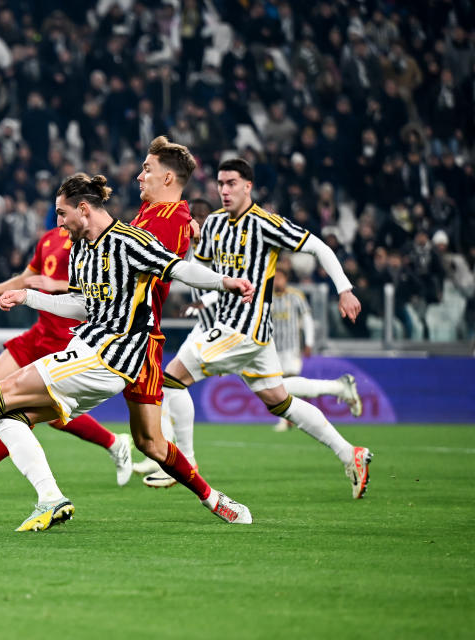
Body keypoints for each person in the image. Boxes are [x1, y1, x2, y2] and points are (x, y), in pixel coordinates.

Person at [0, 173, 256, 530]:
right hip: (91, 351)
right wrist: (28, 296)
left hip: (109, 356)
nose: (59, 223)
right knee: (10, 417)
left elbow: (179, 268)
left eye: (62, 214)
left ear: (83, 208)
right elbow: (81, 304)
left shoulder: (130, 242)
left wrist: (226, 283)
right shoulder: (81, 250)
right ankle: (57, 497)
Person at [0, 136, 221, 511]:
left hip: (130, 338)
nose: (139, 176)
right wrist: (2, 291)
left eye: (147, 169)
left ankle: (197, 483)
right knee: (21, 405)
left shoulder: (171, 219)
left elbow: (132, 268)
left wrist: (213, 270)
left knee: (144, 438)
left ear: (168, 178)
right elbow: (43, 274)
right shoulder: (144, 216)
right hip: (100, 331)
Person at [156, 158, 372, 499]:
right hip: (244, 332)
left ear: (248, 186)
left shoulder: (265, 223)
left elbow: (318, 247)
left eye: (231, 183)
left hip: (242, 330)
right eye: (220, 183)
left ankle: (187, 462)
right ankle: (350, 453)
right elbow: (210, 273)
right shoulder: (212, 223)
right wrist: (195, 244)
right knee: (279, 400)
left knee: (169, 378)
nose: (224, 190)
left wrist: (344, 289)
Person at [0, 224, 136, 490]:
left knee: (50, 415)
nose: (61, 216)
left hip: (68, 335)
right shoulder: (49, 239)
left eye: (65, 209)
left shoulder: (92, 240)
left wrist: (55, 284)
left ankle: (115, 443)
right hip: (41, 331)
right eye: (59, 210)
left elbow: (103, 285)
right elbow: (29, 276)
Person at [270, 268, 361, 432]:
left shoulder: (296, 296)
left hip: (291, 347)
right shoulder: (267, 297)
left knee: (284, 382)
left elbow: (306, 319)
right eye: (275, 278)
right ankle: (289, 418)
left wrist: (309, 342)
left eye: (280, 278)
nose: (277, 281)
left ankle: (289, 418)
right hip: (272, 349)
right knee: (277, 385)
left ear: (286, 279)